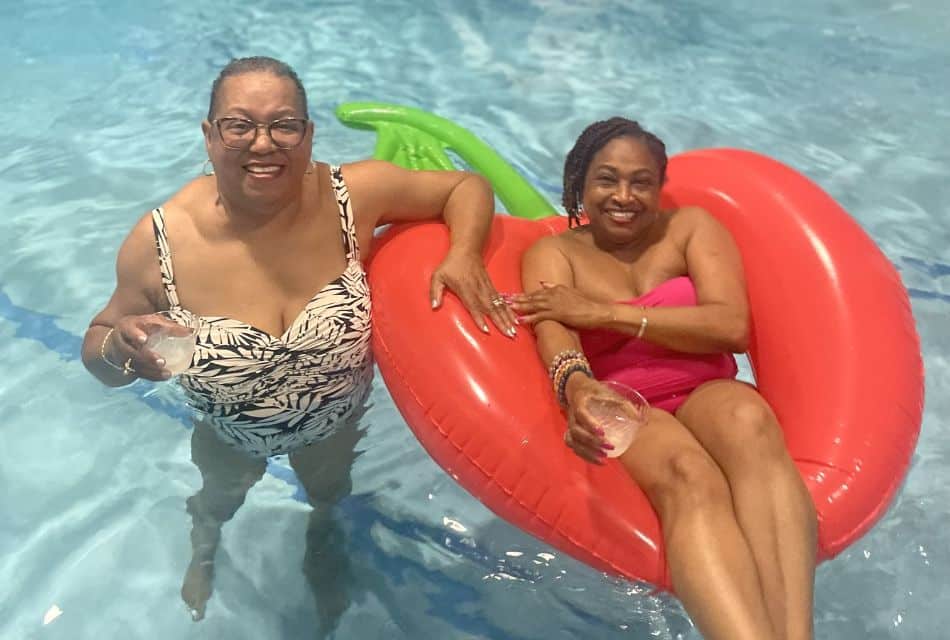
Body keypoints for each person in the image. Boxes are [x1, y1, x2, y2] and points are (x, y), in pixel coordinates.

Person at [80, 56, 517, 629]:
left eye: (284, 125)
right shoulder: (160, 242)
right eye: (239, 125)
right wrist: (121, 349)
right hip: (231, 430)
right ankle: (204, 545)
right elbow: (98, 348)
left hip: (334, 421)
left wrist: (461, 255)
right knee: (218, 499)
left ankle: (322, 539)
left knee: (328, 496)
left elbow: (467, 186)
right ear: (209, 138)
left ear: (308, 135)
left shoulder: (352, 197)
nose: (263, 144)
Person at [510, 118, 817, 640]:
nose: (623, 196)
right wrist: (581, 390)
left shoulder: (690, 228)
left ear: (659, 184)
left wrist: (606, 314)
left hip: (706, 387)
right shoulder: (554, 254)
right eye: (607, 180)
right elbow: (557, 340)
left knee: (750, 420)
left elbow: (730, 326)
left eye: (641, 181)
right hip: (630, 401)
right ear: (580, 183)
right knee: (688, 473)